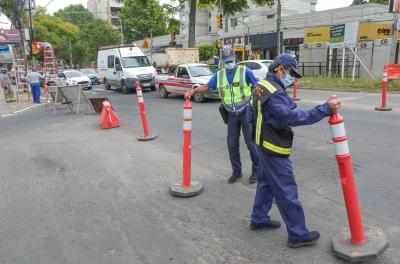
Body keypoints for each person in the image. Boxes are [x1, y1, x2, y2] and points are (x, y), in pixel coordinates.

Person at [248, 54, 341, 247]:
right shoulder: (274, 92)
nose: (292, 78)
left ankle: (259, 219)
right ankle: (298, 234)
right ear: (280, 69)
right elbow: (293, 117)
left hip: (261, 145)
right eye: (291, 73)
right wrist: (325, 109)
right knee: (286, 189)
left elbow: (251, 113)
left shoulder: (261, 85)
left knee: (265, 183)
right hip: (273, 148)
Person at [186, 46, 259, 184]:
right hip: (231, 113)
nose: (229, 63)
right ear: (222, 61)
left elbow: (257, 86)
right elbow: (207, 87)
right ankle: (237, 172)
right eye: (226, 61)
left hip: (245, 111)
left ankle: (256, 171)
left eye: (230, 60)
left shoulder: (245, 72)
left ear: (235, 58)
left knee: (251, 143)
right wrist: (193, 91)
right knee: (232, 144)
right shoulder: (219, 75)